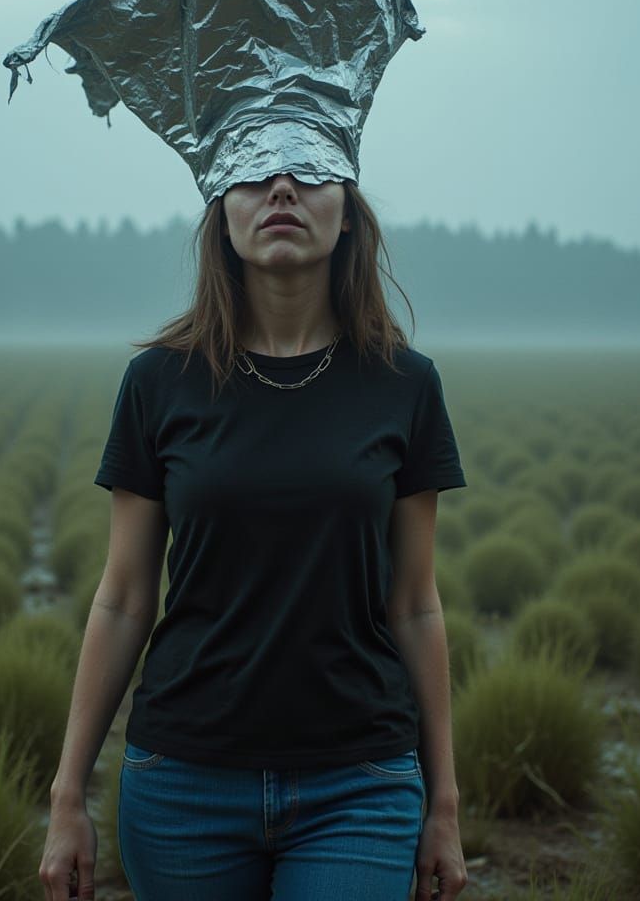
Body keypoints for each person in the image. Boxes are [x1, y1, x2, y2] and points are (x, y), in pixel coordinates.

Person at [38, 170, 470, 901]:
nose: (282, 190)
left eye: (310, 172)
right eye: (252, 174)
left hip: (359, 785)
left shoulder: (404, 383)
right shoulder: (158, 382)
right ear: (222, 216)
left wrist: (446, 806)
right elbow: (123, 598)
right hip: (182, 788)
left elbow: (416, 605)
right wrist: (67, 794)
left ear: (348, 214)